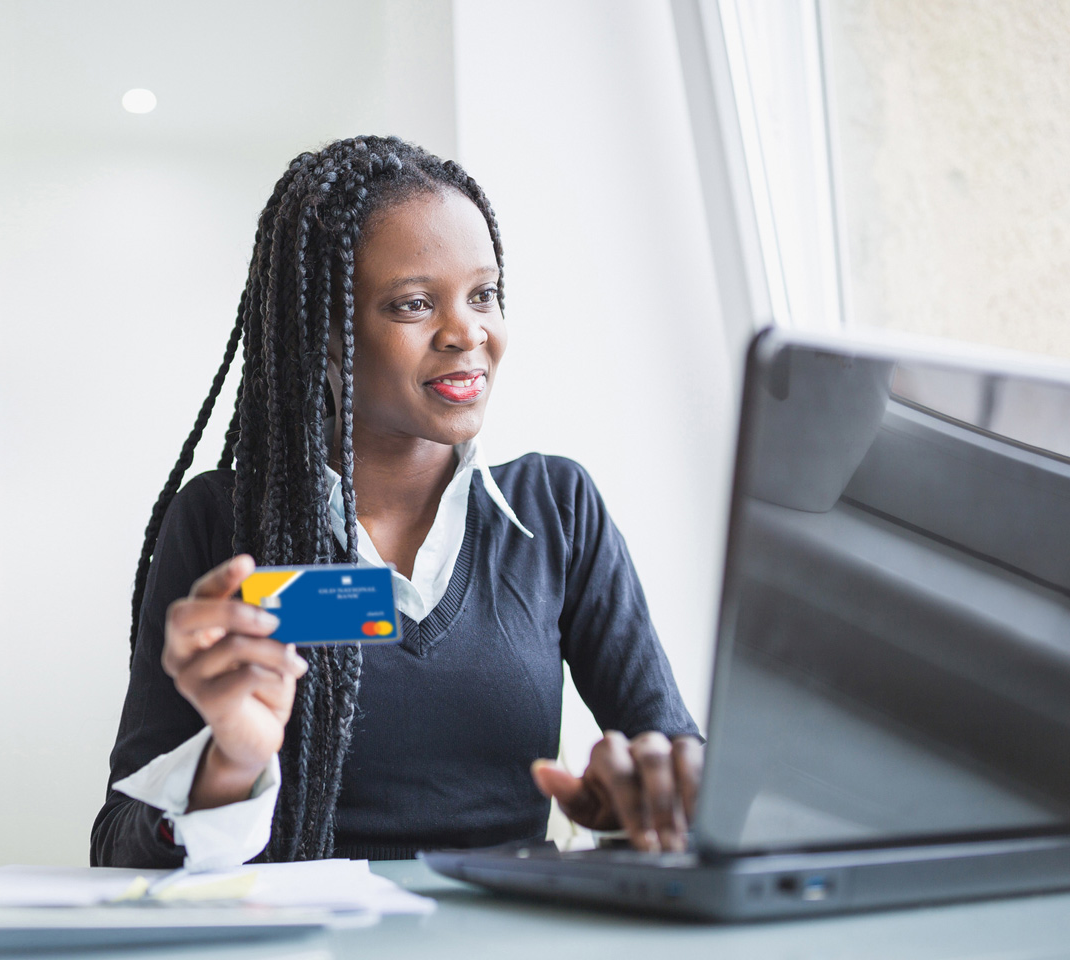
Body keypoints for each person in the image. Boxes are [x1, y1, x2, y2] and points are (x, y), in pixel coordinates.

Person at [91, 136, 703, 869]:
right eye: (415, 303)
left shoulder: (556, 510)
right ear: (325, 335)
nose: (467, 332)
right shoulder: (225, 524)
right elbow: (120, 848)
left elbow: (678, 767)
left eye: (484, 294)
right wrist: (229, 764)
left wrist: (643, 802)